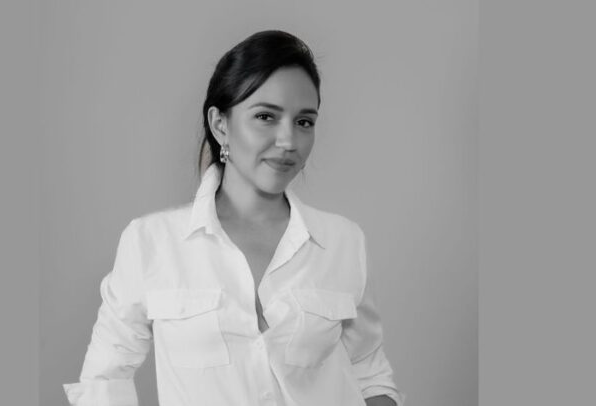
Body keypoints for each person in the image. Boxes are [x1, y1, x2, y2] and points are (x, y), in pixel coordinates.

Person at [63, 30, 404, 406]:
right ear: (220, 124)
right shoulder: (151, 242)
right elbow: (105, 378)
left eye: (304, 122)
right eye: (265, 117)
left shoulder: (342, 242)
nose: (288, 141)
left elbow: (369, 372)